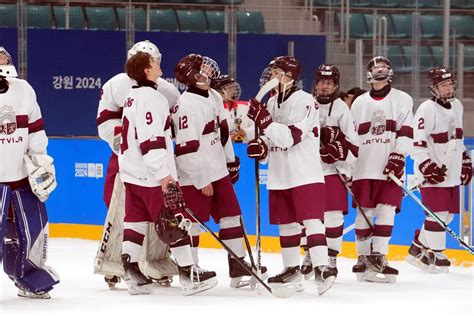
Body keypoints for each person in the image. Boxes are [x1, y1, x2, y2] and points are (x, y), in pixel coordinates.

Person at [118, 50, 217, 296]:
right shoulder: (153, 98)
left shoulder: (132, 96)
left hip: (131, 173)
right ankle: (189, 273)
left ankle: (131, 273)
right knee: (175, 218)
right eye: (154, 62)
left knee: (135, 221)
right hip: (150, 174)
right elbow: (151, 141)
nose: (158, 64)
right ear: (146, 71)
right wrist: (164, 175)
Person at [172, 54, 265, 289]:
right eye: (200, 69)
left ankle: (238, 267)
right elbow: (185, 149)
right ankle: (190, 270)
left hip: (218, 170)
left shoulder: (213, 95)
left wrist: (230, 161)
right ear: (193, 77)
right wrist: (201, 178)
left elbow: (223, 132)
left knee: (232, 217)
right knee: (191, 223)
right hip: (195, 175)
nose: (207, 69)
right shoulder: (187, 106)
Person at [246, 56, 336, 295]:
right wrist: (261, 146)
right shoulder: (273, 101)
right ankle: (291, 269)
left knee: (311, 221)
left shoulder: (304, 100)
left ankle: (322, 268)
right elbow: (272, 137)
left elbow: (290, 137)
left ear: (289, 76)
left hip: (304, 173)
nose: (271, 76)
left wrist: (264, 121)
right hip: (279, 173)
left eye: (276, 72)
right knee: (286, 224)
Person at [95, 40, 180, 289]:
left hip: (153, 160)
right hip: (127, 157)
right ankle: (114, 263)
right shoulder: (116, 85)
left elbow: (172, 125)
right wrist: (121, 142)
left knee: (158, 215)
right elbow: (105, 121)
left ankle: (155, 263)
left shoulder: (167, 90)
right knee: (117, 206)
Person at [0, 47, 59, 298]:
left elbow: (36, 131)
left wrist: (39, 161)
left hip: (22, 180)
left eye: (4, 57)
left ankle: (28, 276)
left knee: (32, 232)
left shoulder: (24, 89)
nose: (3, 61)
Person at [350, 56, 414, 283]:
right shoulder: (358, 103)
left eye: (384, 67)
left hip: (390, 168)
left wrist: (398, 155)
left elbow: (406, 131)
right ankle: (362, 257)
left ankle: (378, 256)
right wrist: (349, 167)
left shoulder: (402, 99)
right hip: (363, 167)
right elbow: (352, 136)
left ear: (390, 71)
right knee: (364, 213)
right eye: (376, 67)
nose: (380, 70)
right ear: (369, 74)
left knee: (386, 211)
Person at [407, 67, 471, 273]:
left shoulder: (457, 106)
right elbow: (417, 143)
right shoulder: (426, 109)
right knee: (438, 213)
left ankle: (417, 248)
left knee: (448, 215)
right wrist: (427, 167)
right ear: (434, 88)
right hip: (432, 171)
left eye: (449, 83)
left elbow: (457, 138)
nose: (447, 88)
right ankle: (436, 253)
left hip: (451, 171)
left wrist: (465, 160)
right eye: (442, 85)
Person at [300, 64, 359, 280]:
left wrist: (337, 149)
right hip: (307, 170)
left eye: (329, 83)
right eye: (321, 82)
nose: (325, 87)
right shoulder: (305, 103)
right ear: (315, 84)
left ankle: (331, 257)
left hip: (333, 171)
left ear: (336, 86)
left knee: (333, 216)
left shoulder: (342, 108)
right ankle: (310, 254)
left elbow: (353, 140)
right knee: (309, 217)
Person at [211, 74, 254, 143]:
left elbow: (257, 127)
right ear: (220, 91)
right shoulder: (214, 109)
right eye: (229, 88)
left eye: (234, 87)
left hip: (244, 148)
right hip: (222, 150)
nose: (234, 91)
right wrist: (226, 138)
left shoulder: (246, 106)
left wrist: (246, 132)